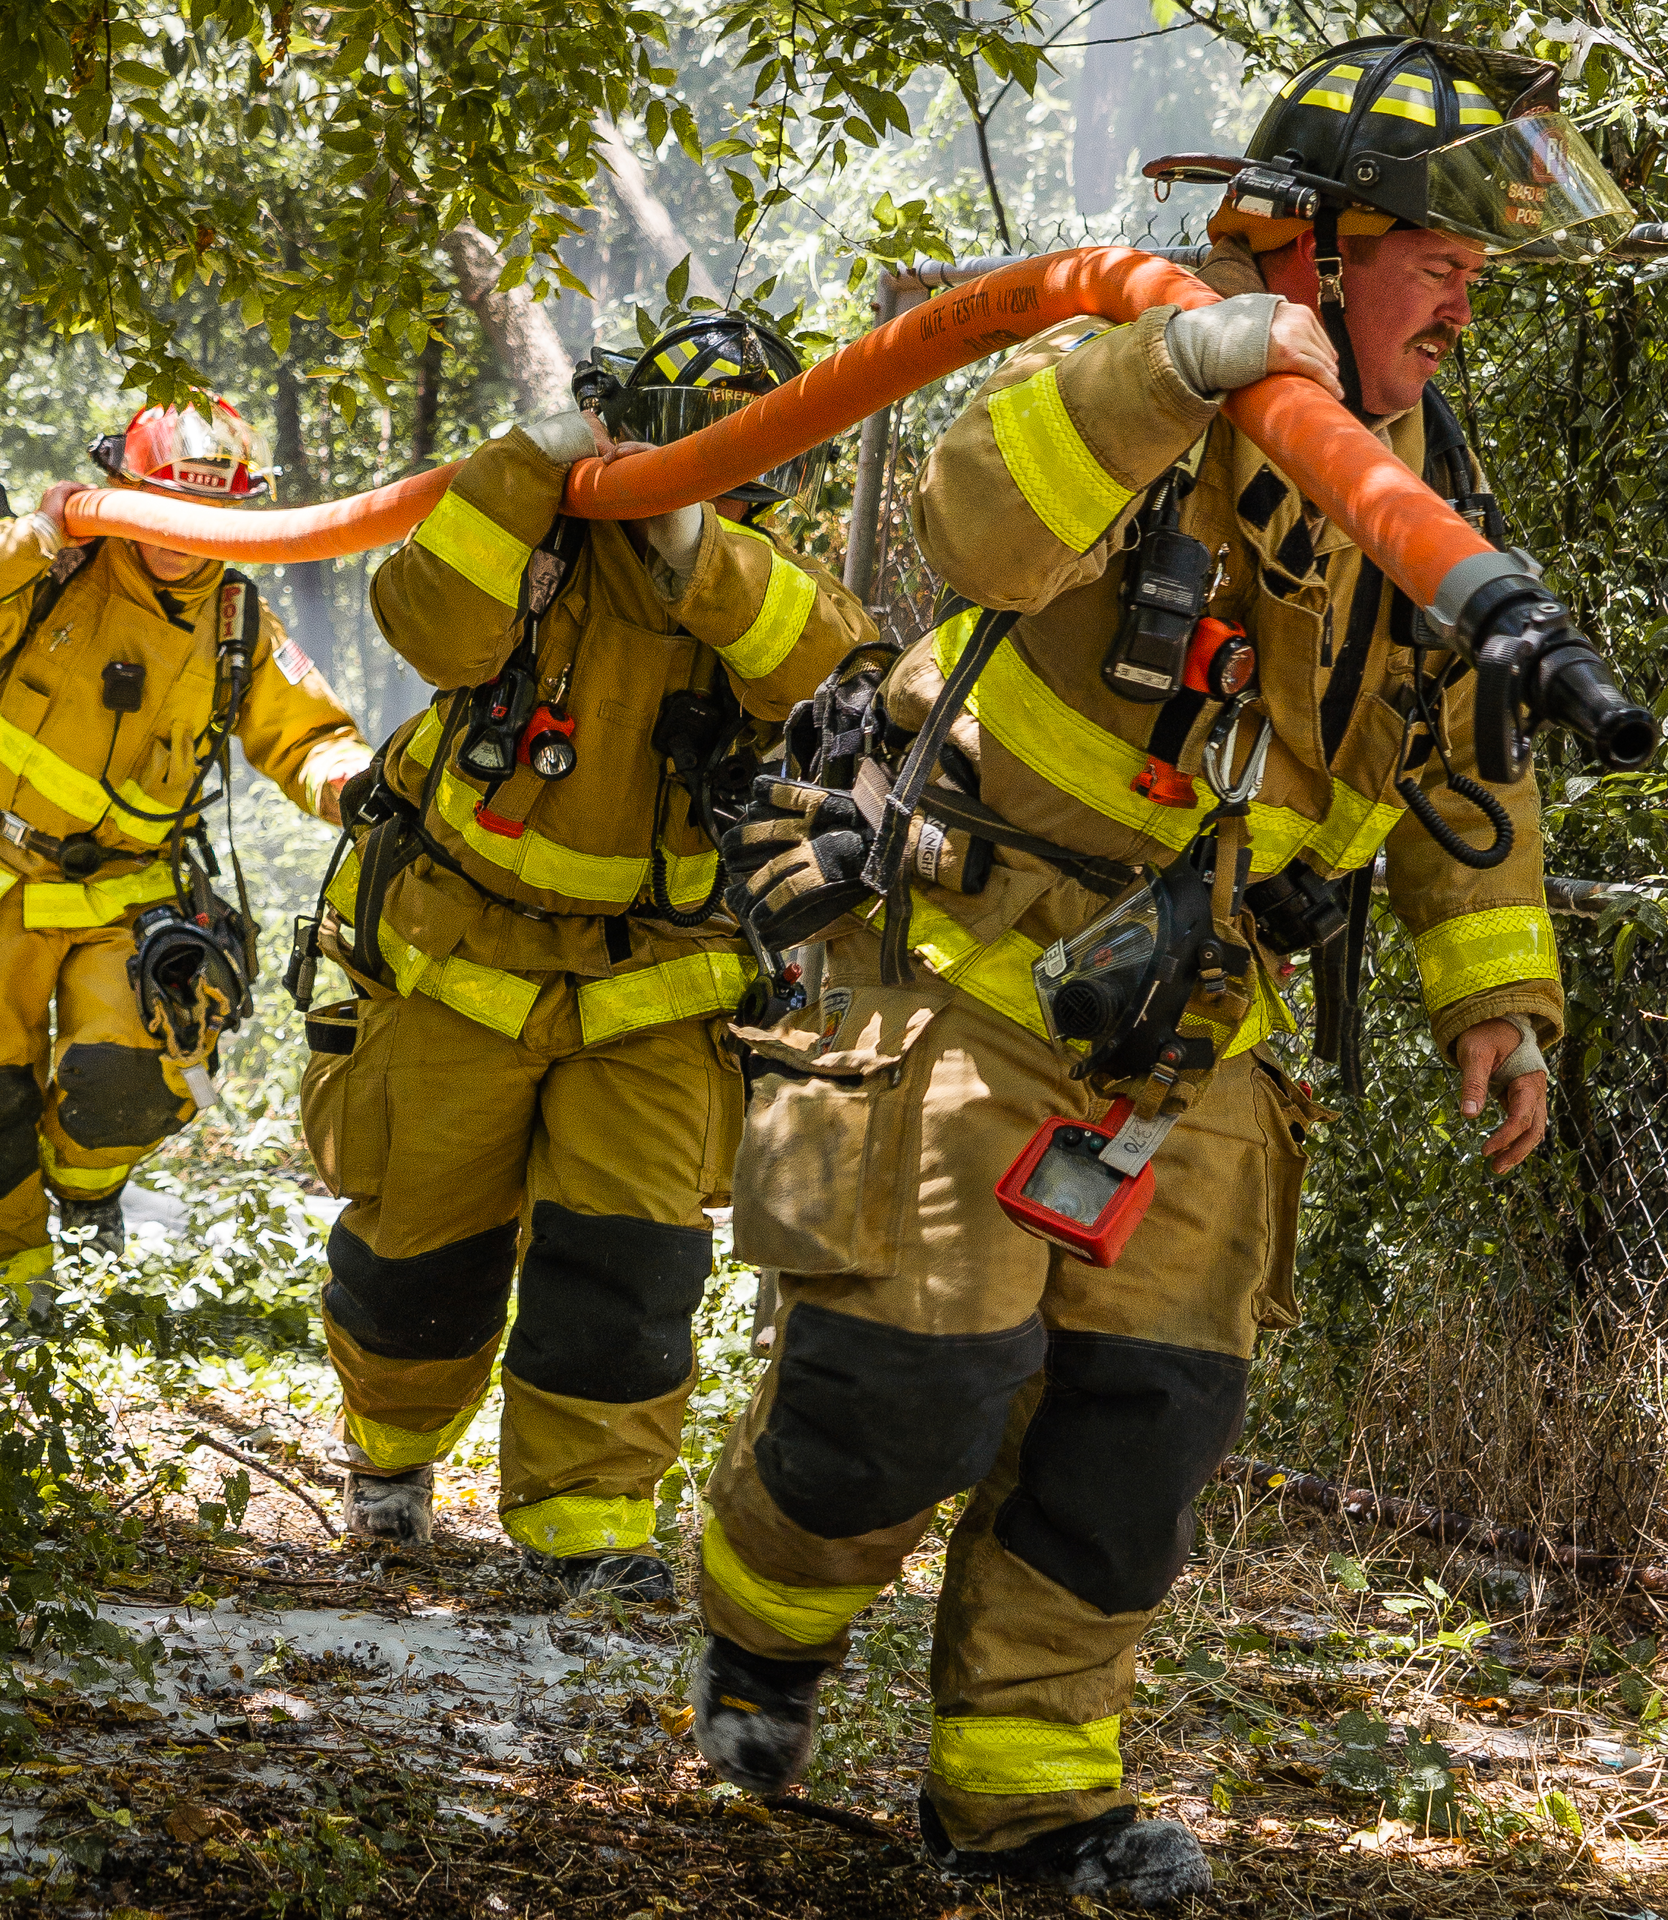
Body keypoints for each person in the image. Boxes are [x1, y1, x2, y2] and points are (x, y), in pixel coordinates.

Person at [688, 38, 1633, 1905]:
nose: (1460, 303)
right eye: (1433, 257)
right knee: (905, 1400)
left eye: (1470, 270)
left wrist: (1499, 1004)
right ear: (1315, 250)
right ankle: (761, 1638)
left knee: (1141, 1435)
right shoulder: (1157, 376)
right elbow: (971, 522)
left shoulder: (1434, 495)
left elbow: (1459, 779)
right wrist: (1172, 367)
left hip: (1195, 1039)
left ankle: (1025, 1801)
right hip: (972, 975)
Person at [300, 312, 875, 1599]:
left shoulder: (757, 574)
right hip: (461, 955)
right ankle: (389, 1462)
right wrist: (527, 464)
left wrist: (696, 548)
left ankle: (587, 1532)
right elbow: (427, 623)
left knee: (628, 1264)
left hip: (658, 985)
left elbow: (835, 673)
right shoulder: (523, 534)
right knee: (415, 1251)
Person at [0, 396, 372, 1307]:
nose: (180, 536)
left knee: (134, 1084)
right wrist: (31, 534)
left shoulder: (237, 621)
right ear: (120, 490)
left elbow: (307, 739)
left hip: (129, 897)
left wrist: (359, 786)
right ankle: (8, 1301)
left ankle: (87, 1190)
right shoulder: (55, 570)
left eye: (205, 516)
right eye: (159, 506)